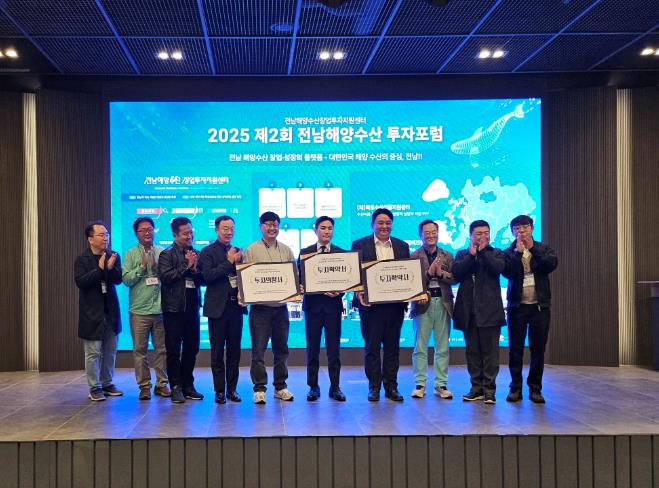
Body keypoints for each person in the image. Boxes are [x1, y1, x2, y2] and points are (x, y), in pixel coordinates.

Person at [351, 208, 410, 402]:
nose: (384, 226)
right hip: (370, 307)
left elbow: (407, 274)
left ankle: (391, 387)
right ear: (372, 225)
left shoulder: (402, 246)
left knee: (393, 349)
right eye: (380, 223)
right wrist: (358, 291)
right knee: (372, 348)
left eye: (388, 223)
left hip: (395, 306)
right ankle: (374, 387)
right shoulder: (359, 245)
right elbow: (354, 274)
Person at [502, 215, 558, 404]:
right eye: (517, 228)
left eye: (525, 227)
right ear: (513, 232)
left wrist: (532, 249)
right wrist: (518, 254)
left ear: (532, 229)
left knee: (538, 349)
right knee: (515, 349)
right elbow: (507, 272)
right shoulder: (508, 252)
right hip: (517, 307)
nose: (521, 231)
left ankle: (535, 389)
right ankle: (515, 388)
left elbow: (550, 265)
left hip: (540, 307)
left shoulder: (543, 248)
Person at [243, 211, 296, 404]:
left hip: (281, 308)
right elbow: (246, 278)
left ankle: (280, 387)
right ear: (261, 227)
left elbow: (293, 277)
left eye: (275, 224)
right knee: (258, 351)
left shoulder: (286, 250)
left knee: (282, 350)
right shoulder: (251, 250)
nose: (272, 228)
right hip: (260, 310)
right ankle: (259, 388)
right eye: (268, 224)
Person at [452, 220, 506, 405]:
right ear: (470, 236)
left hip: (490, 312)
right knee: (472, 352)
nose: (483, 236)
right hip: (469, 312)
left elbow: (498, 268)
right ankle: (476, 388)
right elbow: (457, 273)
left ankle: (489, 390)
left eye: (486, 233)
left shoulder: (496, 252)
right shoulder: (462, 254)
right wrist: (471, 256)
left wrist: (482, 252)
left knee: (491, 354)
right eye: (479, 233)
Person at [199, 216, 247, 404]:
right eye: (225, 228)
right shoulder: (207, 252)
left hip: (235, 307)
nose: (229, 232)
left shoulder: (238, 251)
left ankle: (232, 390)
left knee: (234, 351)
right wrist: (229, 262)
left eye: (232, 228)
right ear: (217, 230)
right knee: (217, 352)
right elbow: (208, 276)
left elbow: (243, 278)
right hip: (217, 309)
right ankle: (219, 390)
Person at [298, 216, 346, 402]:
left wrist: (340, 291)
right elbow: (300, 279)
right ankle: (313, 386)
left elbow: (346, 279)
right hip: (313, 307)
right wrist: (302, 286)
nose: (327, 231)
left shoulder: (341, 253)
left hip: (333, 307)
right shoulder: (305, 253)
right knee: (312, 349)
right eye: (323, 228)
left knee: (334, 350)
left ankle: (335, 387)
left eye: (330, 228)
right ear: (316, 230)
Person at [74, 221, 123, 401]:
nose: (105, 238)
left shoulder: (113, 255)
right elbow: (81, 282)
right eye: (101, 235)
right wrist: (100, 269)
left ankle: (107, 383)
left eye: (107, 234)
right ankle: (94, 387)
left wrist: (110, 268)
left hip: (110, 312)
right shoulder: (82, 259)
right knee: (93, 352)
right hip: (92, 313)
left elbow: (118, 279)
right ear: (90, 239)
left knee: (110, 350)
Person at [122, 217, 170, 400]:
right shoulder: (130, 254)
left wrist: (159, 270)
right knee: (140, 350)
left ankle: (162, 384)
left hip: (160, 309)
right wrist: (141, 267)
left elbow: (169, 277)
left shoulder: (162, 252)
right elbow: (127, 280)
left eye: (150, 229)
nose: (147, 233)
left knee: (161, 349)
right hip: (139, 311)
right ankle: (144, 386)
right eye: (143, 230)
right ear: (136, 234)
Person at [158, 217, 204, 403]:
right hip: (174, 309)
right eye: (185, 233)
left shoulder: (196, 253)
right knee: (173, 350)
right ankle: (175, 386)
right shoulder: (166, 254)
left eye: (191, 232)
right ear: (175, 235)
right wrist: (186, 266)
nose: (189, 236)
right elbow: (166, 277)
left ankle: (188, 385)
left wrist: (195, 269)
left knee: (192, 348)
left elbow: (203, 279)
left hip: (192, 308)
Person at [410, 219, 455, 400]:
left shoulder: (447, 255)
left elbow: (454, 278)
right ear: (420, 235)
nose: (431, 235)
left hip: (443, 303)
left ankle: (441, 384)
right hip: (422, 305)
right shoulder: (414, 256)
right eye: (427, 233)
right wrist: (428, 274)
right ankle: (420, 384)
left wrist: (440, 273)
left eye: (434, 232)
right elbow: (411, 281)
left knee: (442, 347)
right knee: (420, 347)